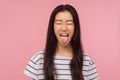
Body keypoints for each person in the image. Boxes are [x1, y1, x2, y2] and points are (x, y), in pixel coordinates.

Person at [24, 4, 99, 80]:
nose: (64, 28)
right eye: (59, 23)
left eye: (69, 23)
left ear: (75, 27)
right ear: (52, 27)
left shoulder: (87, 61)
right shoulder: (38, 59)